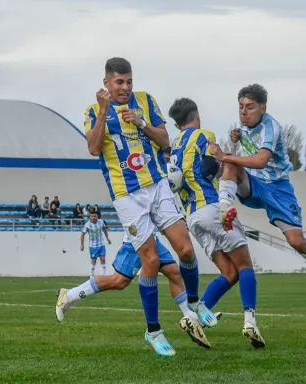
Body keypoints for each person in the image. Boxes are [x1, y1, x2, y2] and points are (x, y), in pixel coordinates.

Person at [83, 57, 217, 357]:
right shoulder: (94, 111)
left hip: (157, 185)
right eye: (119, 82)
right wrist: (105, 110)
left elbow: (164, 139)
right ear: (107, 83)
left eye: (129, 81)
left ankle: (194, 301)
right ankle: (153, 330)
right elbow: (93, 148)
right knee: (151, 262)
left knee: (185, 250)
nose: (126, 87)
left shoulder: (145, 101)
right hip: (126, 195)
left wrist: (141, 123)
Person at [208, 84, 306, 289]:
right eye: (241, 106)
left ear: (263, 108)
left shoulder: (272, 128)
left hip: (278, 189)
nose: (244, 112)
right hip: (254, 184)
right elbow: (248, 144)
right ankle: (223, 210)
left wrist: (225, 155)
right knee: (231, 166)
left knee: (297, 242)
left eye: (250, 107)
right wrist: (237, 137)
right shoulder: (245, 126)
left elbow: (261, 159)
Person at [168, 98, 264, 348]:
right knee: (244, 266)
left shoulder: (175, 144)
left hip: (193, 218)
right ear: (197, 115)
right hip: (212, 208)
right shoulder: (203, 135)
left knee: (230, 273)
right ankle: (250, 322)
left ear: (177, 123)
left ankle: (195, 319)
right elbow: (213, 166)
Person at [56, 231, 222, 351]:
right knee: (119, 281)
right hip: (136, 239)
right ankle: (69, 295)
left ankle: (191, 318)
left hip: (152, 238)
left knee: (174, 272)